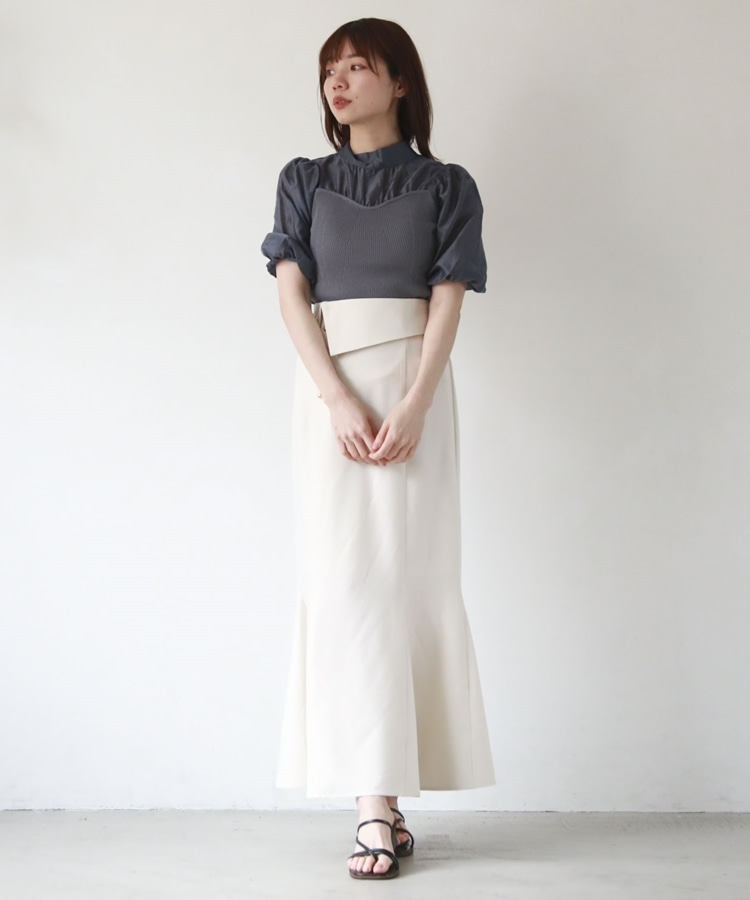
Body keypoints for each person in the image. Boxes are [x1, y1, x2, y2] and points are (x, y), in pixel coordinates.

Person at [261, 17, 495, 881]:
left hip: (413, 391)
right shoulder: (303, 180)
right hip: (331, 396)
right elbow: (293, 294)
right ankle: (373, 805)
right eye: (330, 68)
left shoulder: (447, 186)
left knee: (407, 582)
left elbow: (448, 299)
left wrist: (417, 402)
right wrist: (336, 398)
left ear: (400, 83)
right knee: (345, 583)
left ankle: (386, 803)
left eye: (358, 66)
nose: (339, 81)